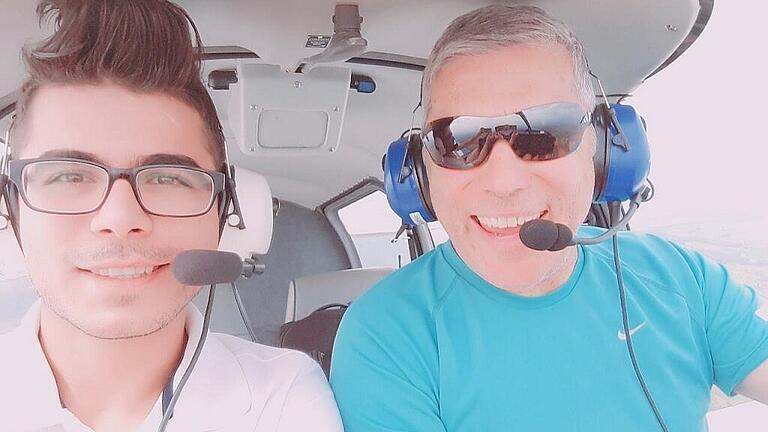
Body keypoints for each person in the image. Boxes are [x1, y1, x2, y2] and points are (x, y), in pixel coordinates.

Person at [330, 5, 768, 431]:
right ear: (421, 174)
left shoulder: (678, 278)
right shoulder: (385, 336)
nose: (503, 182)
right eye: (458, 141)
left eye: (543, 134)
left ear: (601, 155)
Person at [0, 1, 342, 431]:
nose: (120, 217)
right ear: (13, 208)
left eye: (167, 178)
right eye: (69, 175)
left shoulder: (284, 396)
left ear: (224, 211)